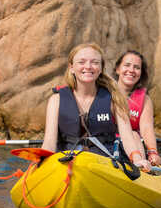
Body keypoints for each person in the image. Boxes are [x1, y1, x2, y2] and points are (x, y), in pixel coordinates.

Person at [41, 43, 151, 171]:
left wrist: (137, 159)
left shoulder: (114, 98)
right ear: (71, 67)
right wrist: (41, 162)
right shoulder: (56, 100)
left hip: (104, 162)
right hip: (66, 161)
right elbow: (49, 142)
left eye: (94, 62)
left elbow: (127, 137)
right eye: (81, 62)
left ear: (100, 68)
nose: (88, 66)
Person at [114, 50, 161, 166]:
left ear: (141, 73)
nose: (131, 70)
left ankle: (140, 167)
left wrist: (152, 152)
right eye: (127, 65)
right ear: (118, 69)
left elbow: (146, 128)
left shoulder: (145, 100)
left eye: (136, 67)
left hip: (133, 146)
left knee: (134, 134)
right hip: (106, 143)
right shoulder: (104, 92)